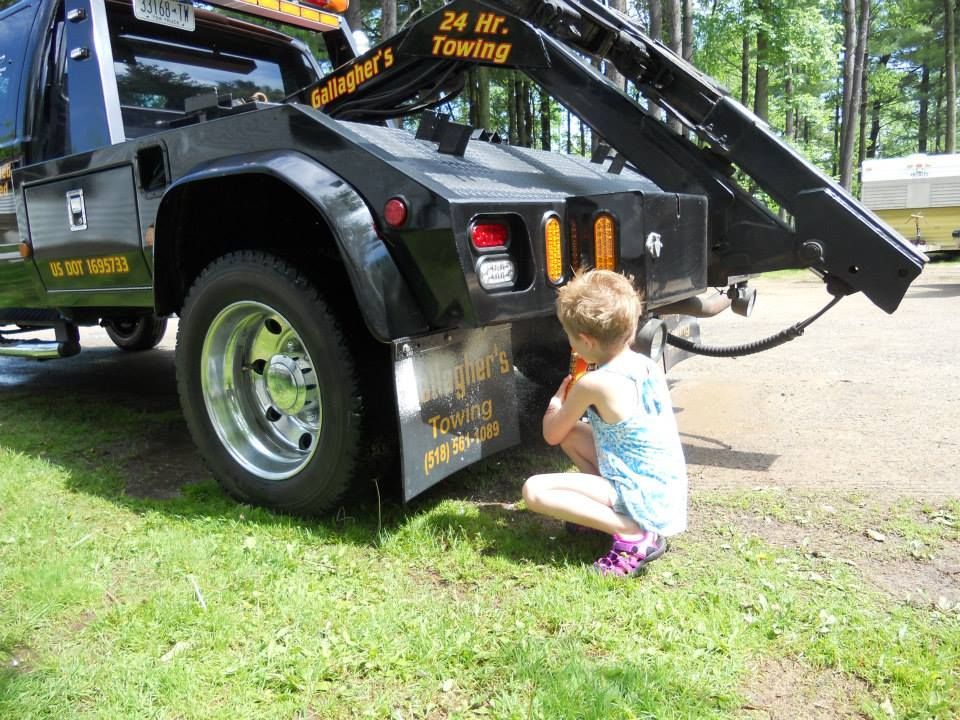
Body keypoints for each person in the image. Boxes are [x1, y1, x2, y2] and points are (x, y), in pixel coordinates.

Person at [522, 269, 688, 577]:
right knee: (574, 433)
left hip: (640, 496)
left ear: (584, 340)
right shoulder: (645, 365)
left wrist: (556, 403)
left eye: (570, 338)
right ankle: (605, 516)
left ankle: (632, 533)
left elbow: (551, 433)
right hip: (663, 491)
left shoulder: (594, 384)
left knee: (534, 490)